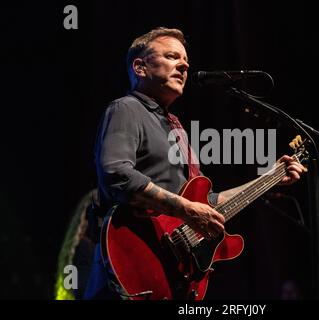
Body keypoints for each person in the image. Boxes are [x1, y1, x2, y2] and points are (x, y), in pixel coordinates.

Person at [84, 27, 307, 299]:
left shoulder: (176, 129)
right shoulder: (125, 108)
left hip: (169, 277)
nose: (184, 65)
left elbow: (207, 203)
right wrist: (186, 209)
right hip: (128, 264)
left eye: (185, 61)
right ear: (140, 67)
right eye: (171, 56)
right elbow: (116, 173)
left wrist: (269, 179)